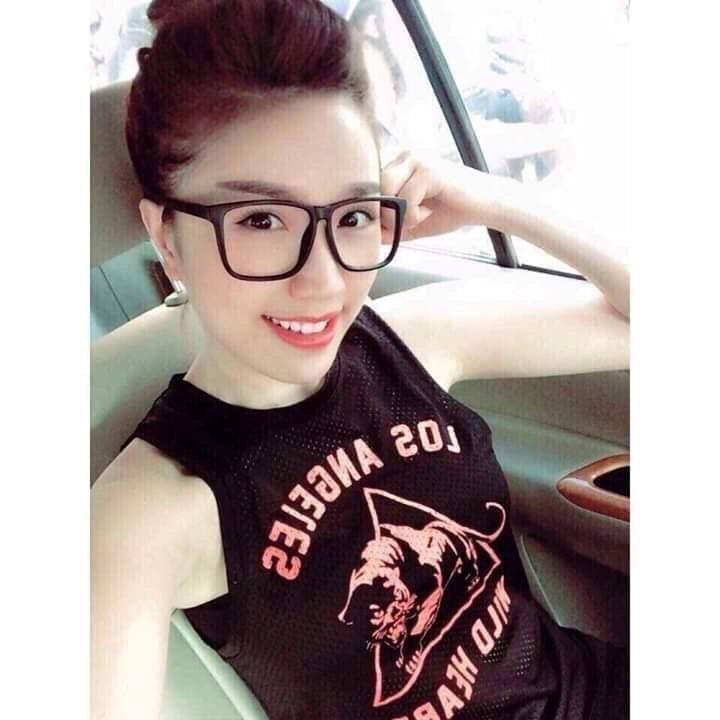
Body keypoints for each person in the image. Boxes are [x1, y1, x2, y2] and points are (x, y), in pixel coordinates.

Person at [90, 1, 630, 719]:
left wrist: (491, 200)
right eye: (260, 220)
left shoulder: (406, 339)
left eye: (351, 215)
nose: (325, 282)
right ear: (166, 237)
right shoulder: (150, 511)